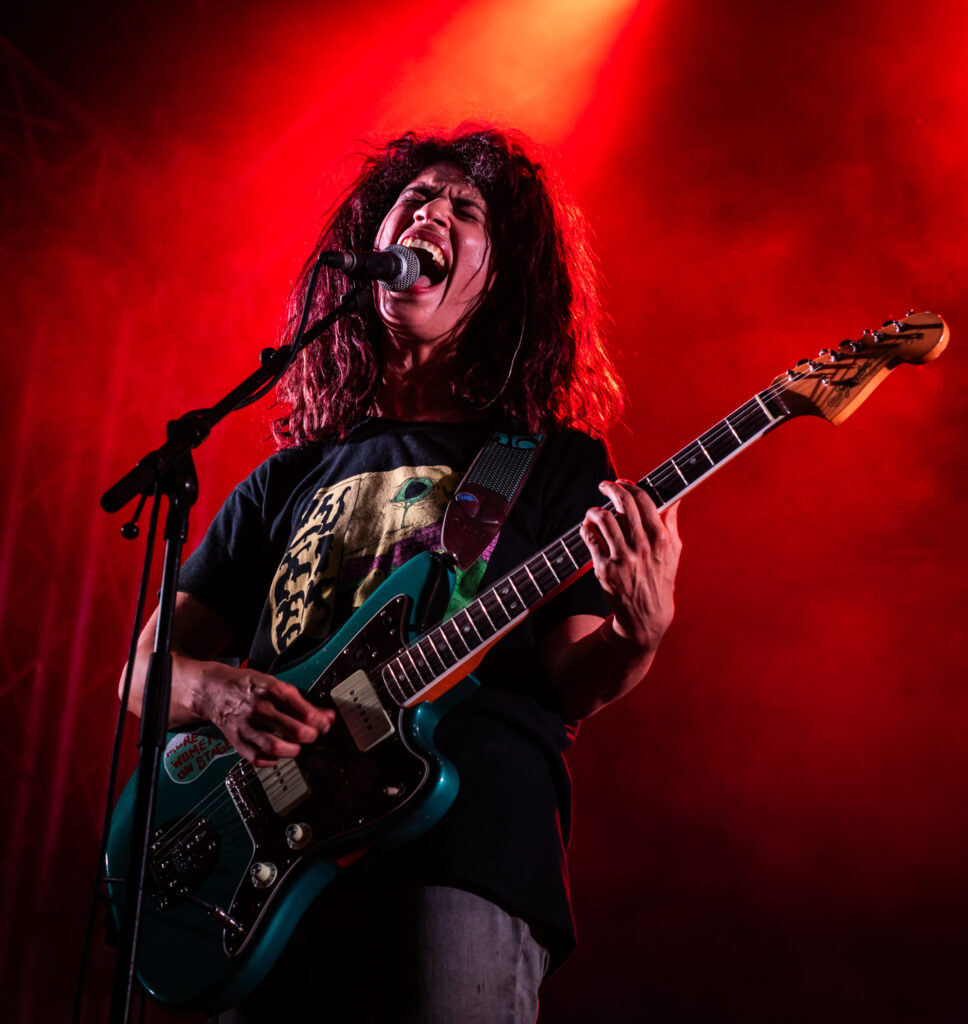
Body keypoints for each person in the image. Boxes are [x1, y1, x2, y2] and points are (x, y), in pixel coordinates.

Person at [120, 125, 682, 1023]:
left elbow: (577, 676)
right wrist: (222, 695)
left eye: (465, 210)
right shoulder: (288, 479)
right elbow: (146, 671)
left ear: (496, 282)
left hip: (457, 852)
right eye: (415, 200)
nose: (431, 211)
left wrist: (639, 634)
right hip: (265, 866)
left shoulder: (545, 466)